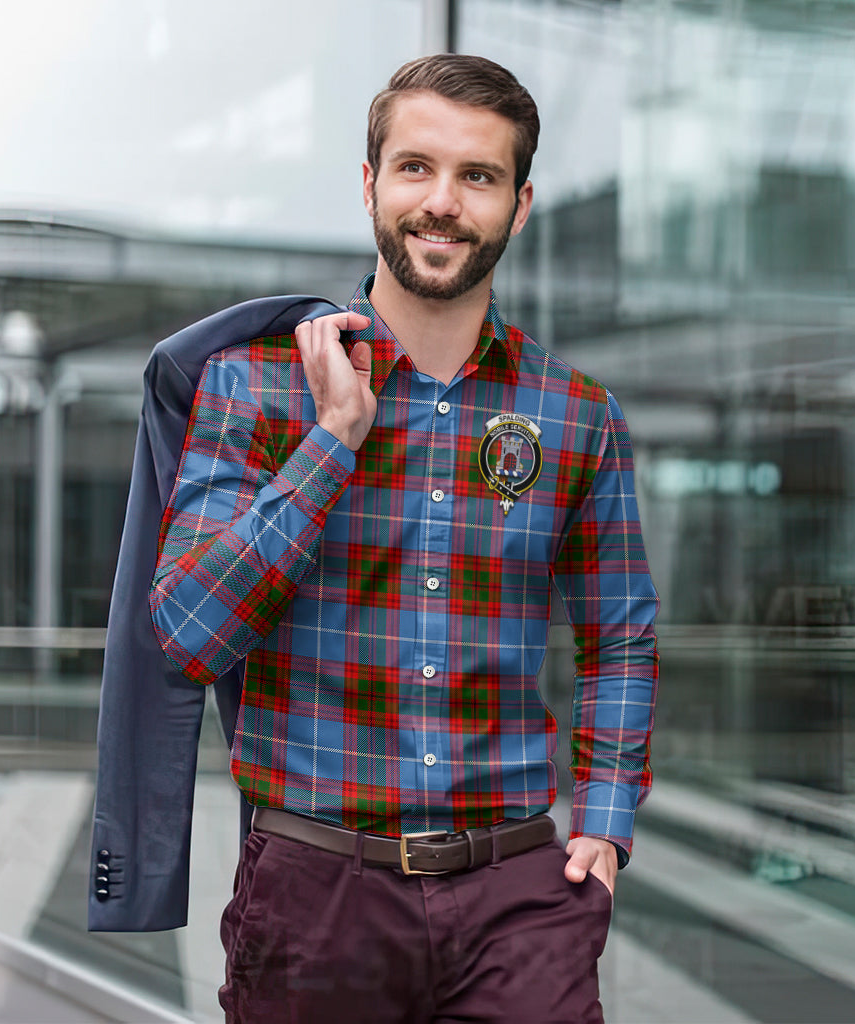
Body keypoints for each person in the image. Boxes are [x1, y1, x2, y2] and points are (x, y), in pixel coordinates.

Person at [149, 53, 659, 1024]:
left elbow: (619, 633)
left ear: (520, 203)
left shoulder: (575, 412)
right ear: (370, 182)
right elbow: (187, 634)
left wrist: (603, 818)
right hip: (316, 896)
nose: (443, 202)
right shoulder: (254, 388)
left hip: (519, 895)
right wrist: (333, 438)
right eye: (416, 167)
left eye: (479, 176)